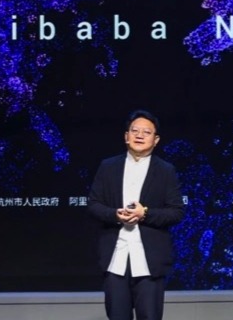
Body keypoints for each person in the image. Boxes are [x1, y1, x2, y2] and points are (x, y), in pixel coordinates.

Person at [88, 109, 185, 320]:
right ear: (126, 136)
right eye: (135, 131)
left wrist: (145, 213)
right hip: (115, 259)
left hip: (149, 262)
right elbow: (93, 204)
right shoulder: (108, 167)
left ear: (155, 140)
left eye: (146, 132)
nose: (139, 135)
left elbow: (176, 212)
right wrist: (115, 214)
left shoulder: (166, 170)